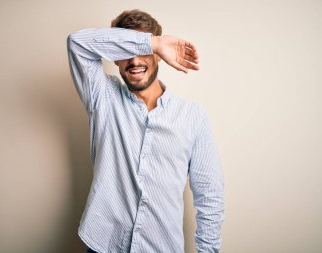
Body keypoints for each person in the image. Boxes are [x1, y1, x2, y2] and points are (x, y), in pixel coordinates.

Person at [67, 9, 224, 253]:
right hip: (103, 246)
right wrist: (153, 42)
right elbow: (76, 43)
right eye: (125, 51)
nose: (134, 60)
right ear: (115, 58)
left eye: (143, 51)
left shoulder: (193, 116)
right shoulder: (103, 97)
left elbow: (210, 196)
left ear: (159, 56)